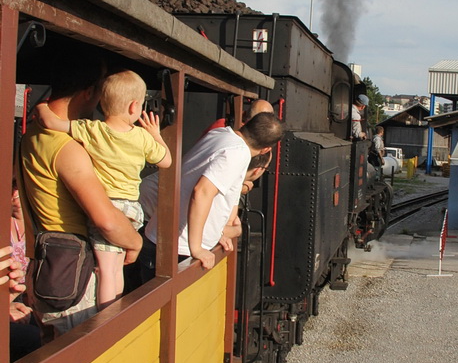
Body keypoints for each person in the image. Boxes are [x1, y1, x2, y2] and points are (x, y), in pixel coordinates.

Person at [19, 50, 143, 338]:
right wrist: (134, 242)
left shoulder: (33, 135)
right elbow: (106, 221)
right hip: (76, 275)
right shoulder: (68, 148)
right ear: (89, 92)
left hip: (45, 268)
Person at [36, 70, 171, 308]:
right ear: (134, 107)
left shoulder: (92, 129)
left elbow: (50, 122)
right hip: (131, 207)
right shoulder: (141, 137)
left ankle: (107, 315)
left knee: (107, 270)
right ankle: (115, 309)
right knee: (117, 267)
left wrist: (41, 106)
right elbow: (166, 161)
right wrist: (156, 135)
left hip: (108, 205)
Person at [144, 112, 284, 273]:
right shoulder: (238, 153)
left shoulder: (219, 134)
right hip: (180, 248)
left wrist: (219, 231)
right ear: (265, 149)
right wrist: (197, 248)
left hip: (164, 235)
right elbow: (202, 192)